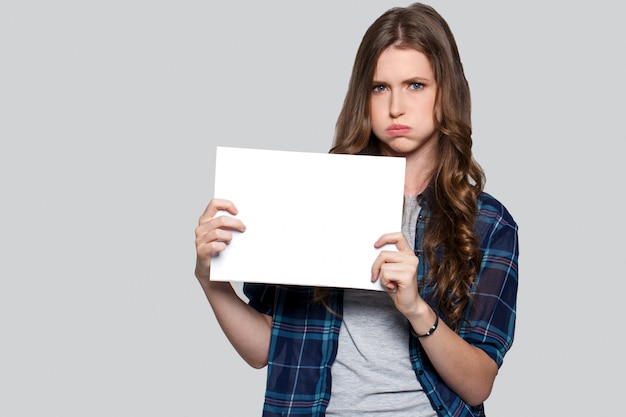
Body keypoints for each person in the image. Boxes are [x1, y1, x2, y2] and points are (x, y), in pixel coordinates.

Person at [194, 3, 518, 416]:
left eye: (416, 85)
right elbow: (264, 351)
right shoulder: (309, 196)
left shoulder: (487, 223)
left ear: (446, 92)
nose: (396, 106)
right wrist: (211, 280)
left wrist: (417, 309)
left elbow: (478, 385)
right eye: (380, 87)